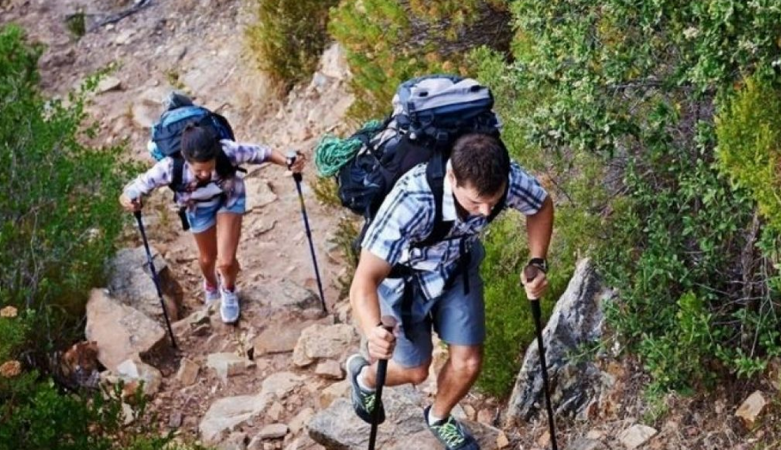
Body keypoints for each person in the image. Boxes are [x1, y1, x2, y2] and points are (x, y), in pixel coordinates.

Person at [346, 133, 554, 450]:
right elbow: (365, 279)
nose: (485, 212)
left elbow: (539, 205)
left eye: (494, 201)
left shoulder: (505, 177)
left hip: (456, 269)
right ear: (452, 176)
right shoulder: (412, 199)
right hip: (404, 281)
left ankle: (440, 416)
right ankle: (364, 378)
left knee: (468, 362)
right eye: (474, 202)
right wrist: (373, 330)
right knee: (415, 370)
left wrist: (537, 261)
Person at [119, 123, 305, 324]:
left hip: (230, 198)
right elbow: (131, 191)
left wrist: (288, 161)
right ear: (186, 159)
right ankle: (210, 284)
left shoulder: (227, 151)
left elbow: (264, 153)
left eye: (210, 168)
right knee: (207, 259)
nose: (206, 174)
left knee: (225, 261)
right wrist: (130, 200)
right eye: (199, 171)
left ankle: (229, 289)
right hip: (197, 207)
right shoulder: (170, 167)